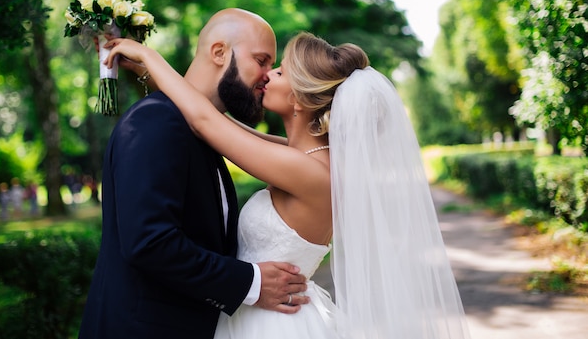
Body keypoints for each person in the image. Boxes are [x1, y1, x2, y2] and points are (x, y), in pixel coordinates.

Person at [104, 31, 472, 338]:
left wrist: (147, 53)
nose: (268, 75)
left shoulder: (309, 171)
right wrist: (150, 74)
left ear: (298, 97)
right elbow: (220, 122)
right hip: (258, 313)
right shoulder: (311, 159)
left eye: (279, 71)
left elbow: (206, 122)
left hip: (271, 323)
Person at [78, 9, 309, 339]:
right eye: (261, 60)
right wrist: (252, 283)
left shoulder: (205, 130)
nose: (267, 75)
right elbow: (150, 243)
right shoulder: (155, 122)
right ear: (219, 52)